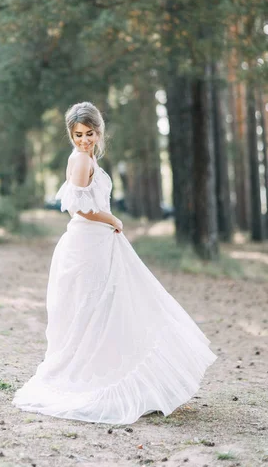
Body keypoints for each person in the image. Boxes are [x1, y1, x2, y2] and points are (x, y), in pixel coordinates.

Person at [12, 101, 217, 425]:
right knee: (94, 310)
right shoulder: (79, 158)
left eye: (89, 133)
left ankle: (113, 370)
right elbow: (78, 207)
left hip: (99, 242)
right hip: (87, 243)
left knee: (111, 309)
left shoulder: (89, 156)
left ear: (98, 131)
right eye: (78, 134)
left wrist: (109, 223)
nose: (83, 140)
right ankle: (95, 376)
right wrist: (112, 218)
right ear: (71, 133)